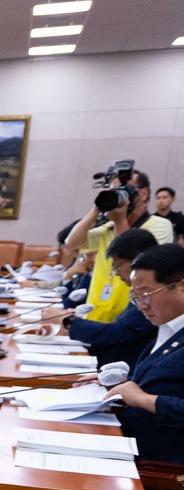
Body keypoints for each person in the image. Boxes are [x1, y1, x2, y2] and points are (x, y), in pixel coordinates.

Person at [105, 244, 184, 465]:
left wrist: (144, 399)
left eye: (146, 295)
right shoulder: (168, 327)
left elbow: (146, 396)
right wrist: (119, 385)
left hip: (161, 475)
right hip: (130, 447)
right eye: (135, 297)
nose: (141, 306)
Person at [66, 172, 173, 323]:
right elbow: (72, 243)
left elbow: (136, 261)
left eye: (125, 190)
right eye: (115, 191)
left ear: (143, 193)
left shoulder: (160, 225)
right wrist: (98, 207)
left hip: (127, 319)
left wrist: (120, 220)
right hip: (95, 316)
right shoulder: (108, 227)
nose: (119, 196)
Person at [65, 229, 158, 368]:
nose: (115, 272)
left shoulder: (153, 293)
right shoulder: (138, 292)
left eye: (116, 265)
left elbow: (119, 333)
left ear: (137, 260)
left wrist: (67, 322)